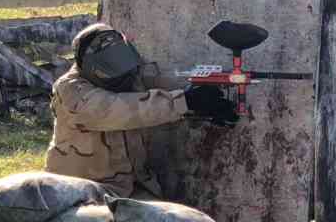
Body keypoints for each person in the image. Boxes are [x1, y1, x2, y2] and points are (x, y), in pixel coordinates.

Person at [45, 23, 238, 199]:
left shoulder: (128, 74)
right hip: (79, 189)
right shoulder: (70, 90)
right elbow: (118, 109)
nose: (124, 77)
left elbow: (162, 81)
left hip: (129, 188)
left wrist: (203, 98)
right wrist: (184, 101)